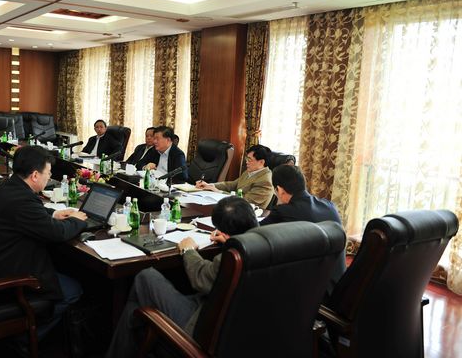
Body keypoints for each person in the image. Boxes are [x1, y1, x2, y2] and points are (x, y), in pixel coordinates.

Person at [106, 196, 258, 358]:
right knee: (133, 311)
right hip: (240, 332)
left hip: (200, 328)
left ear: (226, 232)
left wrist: (188, 250)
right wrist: (230, 241)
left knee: (145, 277)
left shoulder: (233, 258)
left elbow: (201, 278)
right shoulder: (263, 247)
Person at [0, 146, 88, 340]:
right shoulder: (23, 200)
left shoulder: (8, 186)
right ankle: (26, 338)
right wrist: (78, 220)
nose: (48, 178)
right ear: (35, 175)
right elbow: (57, 233)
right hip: (6, 282)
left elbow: (30, 212)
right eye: (48, 173)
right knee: (73, 290)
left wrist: (54, 213)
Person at [261, 164, 346, 299]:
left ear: (280, 190)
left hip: (311, 295)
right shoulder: (330, 206)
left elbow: (255, 235)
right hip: (337, 288)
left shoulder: (284, 211)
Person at [196, 144, 273, 208]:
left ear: (261, 162)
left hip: (247, 214)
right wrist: (210, 185)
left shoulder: (266, 181)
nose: (246, 162)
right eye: (246, 158)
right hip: (235, 207)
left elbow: (245, 201)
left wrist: (219, 192)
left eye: (250, 159)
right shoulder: (251, 171)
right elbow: (232, 185)